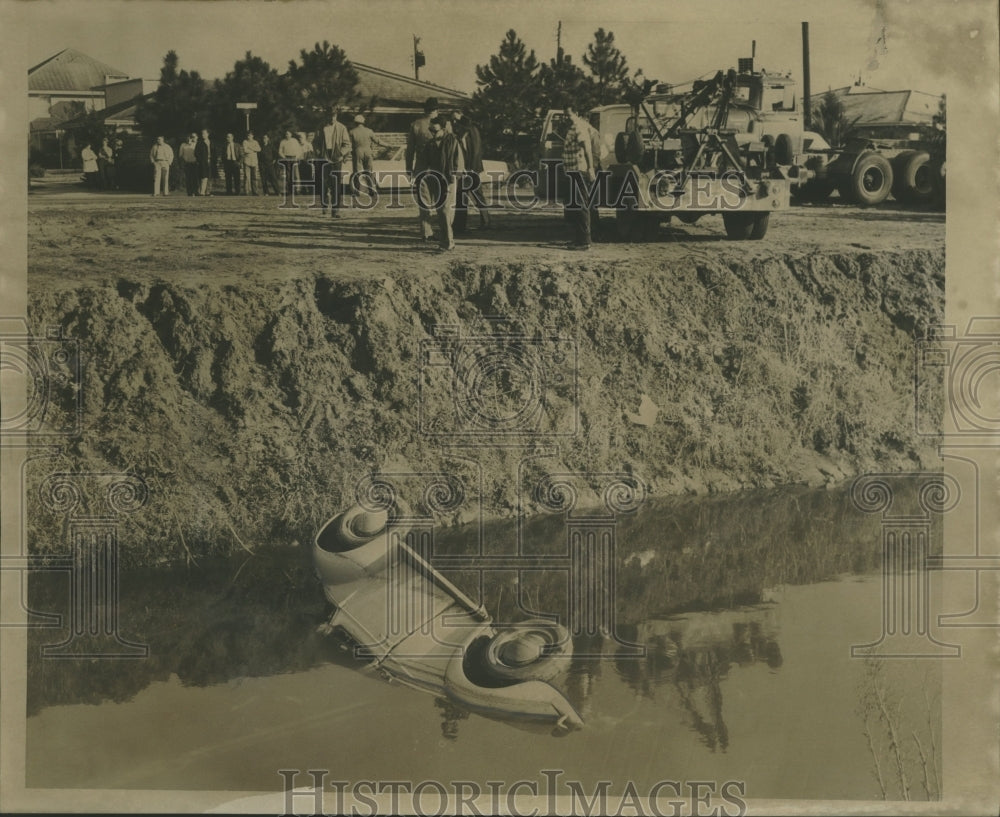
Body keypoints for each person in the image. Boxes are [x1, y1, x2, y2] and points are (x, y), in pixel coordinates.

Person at [560, 103, 597, 249]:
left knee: (581, 205)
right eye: (564, 115)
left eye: (568, 114)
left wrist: (590, 168)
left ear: (576, 112)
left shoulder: (579, 126)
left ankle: (584, 242)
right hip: (571, 170)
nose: (566, 117)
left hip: (579, 170)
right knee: (574, 206)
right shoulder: (572, 127)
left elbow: (587, 148)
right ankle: (578, 239)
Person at [425, 116, 464, 251]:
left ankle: (448, 243)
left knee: (445, 211)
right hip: (436, 180)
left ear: (443, 129)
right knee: (441, 212)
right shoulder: (430, 144)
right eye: (431, 130)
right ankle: (446, 240)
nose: (433, 133)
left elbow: (459, 162)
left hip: (449, 180)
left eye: (435, 130)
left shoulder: (452, 141)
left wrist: (453, 179)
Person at [405, 97, 439, 241]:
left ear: (425, 110)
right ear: (436, 111)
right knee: (441, 200)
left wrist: (408, 168)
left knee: (424, 200)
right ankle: (445, 230)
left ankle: (426, 232)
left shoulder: (416, 125)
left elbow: (410, 149)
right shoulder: (444, 125)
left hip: (421, 167)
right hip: (439, 167)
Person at [451, 111, 491, 233]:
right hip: (471, 168)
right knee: (475, 195)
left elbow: (471, 152)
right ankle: (485, 221)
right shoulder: (472, 130)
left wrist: (469, 169)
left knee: (463, 196)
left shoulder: (468, 131)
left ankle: (460, 225)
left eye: (456, 119)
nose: (454, 122)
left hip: (469, 168)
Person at [316, 111, 351, 217]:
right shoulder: (321, 127)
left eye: (334, 116)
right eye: (330, 116)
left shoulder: (341, 128)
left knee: (336, 185)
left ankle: (335, 210)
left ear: (336, 116)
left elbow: (347, 144)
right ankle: (325, 205)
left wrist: (340, 153)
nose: (332, 118)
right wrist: (318, 153)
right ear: (326, 116)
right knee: (323, 184)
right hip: (324, 158)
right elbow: (315, 142)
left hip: (336, 159)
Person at [349, 114, 385, 199]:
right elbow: (378, 141)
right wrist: (387, 145)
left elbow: (349, 145)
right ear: (363, 122)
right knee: (369, 172)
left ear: (355, 122)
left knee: (358, 172)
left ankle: (357, 191)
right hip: (368, 152)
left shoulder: (352, 132)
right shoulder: (369, 131)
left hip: (358, 152)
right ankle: (372, 190)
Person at [278, 130, 302, 196]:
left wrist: (296, 157)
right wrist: (284, 158)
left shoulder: (294, 141)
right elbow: (280, 151)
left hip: (294, 158)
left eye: (288, 134)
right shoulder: (283, 142)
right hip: (287, 158)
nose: (287, 135)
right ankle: (289, 190)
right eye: (286, 134)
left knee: (296, 174)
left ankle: (297, 190)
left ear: (291, 134)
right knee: (288, 175)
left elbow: (299, 150)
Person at [242, 131, 261, 195]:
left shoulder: (255, 142)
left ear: (253, 136)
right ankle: (246, 191)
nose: (249, 137)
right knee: (247, 177)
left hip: (254, 162)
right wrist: (254, 150)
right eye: (248, 135)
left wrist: (250, 148)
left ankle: (255, 191)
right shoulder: (245, 142)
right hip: (247, 161)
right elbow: (245, 150)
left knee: (254, 177)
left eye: (250, 135)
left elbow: (259, 149)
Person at [196, 130, 213, 196]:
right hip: (203, 162)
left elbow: (214, 152)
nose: (203, 135)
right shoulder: (199, 143)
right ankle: (202, 192)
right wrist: (201, 160)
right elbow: (196, 153)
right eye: (202, 133)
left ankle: (208, 191)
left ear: (208, 134)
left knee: (210, 176)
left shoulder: (211, 142)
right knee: (203, 176)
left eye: (204, 133)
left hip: (210, 161)